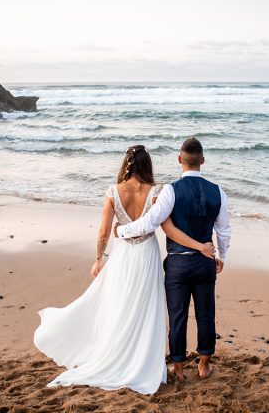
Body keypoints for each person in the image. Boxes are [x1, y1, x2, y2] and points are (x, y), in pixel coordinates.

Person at [33, 145, 215, 395]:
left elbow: (104, 231)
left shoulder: (112, 192)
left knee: (120, 304)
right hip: (147, 253)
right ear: (147, 165)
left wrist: (99, 259)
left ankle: (118, 353)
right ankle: (143, 360)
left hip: (122, 254)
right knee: (146, 306)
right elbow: (167, 228)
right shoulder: (157, 192)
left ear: (125, 164)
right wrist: (200, 246)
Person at [115, 137, 231, 381]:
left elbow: (151, 222)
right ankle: (204, 364)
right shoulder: (218, 191)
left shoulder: (171, 190)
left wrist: (122, 231)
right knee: (206, 314)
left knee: (177, 315)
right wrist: (220, 255)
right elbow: (223, 230)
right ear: (202, 160)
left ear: (180, 160)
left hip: (178, 264)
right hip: (204, 263)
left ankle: (178, 368)